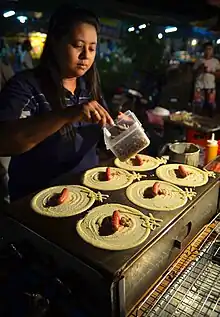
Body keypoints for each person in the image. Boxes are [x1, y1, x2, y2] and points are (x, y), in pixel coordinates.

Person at [0, 4, 113, 202]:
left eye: (92, 48)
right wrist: (67, 114)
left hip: (86, 193)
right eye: (78, 46)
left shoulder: (88, 87)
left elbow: (100, 140)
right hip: (38, 201)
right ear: (55, 42)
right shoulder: (26, 86)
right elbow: (5, 141)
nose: (86, 55)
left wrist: (119, 130)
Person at [193, 42, 220, 116]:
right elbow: (194, 73)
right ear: (204, 50)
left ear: (212, 50)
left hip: (210, 86)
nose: (208, 51)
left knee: (211, 107)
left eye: (210, 49)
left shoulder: (216, 61)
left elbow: (218, 74)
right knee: (198, 106)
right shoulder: (199, 60)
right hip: (199, 86)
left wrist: (211, 72)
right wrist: (200, 68)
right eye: (206, 49)